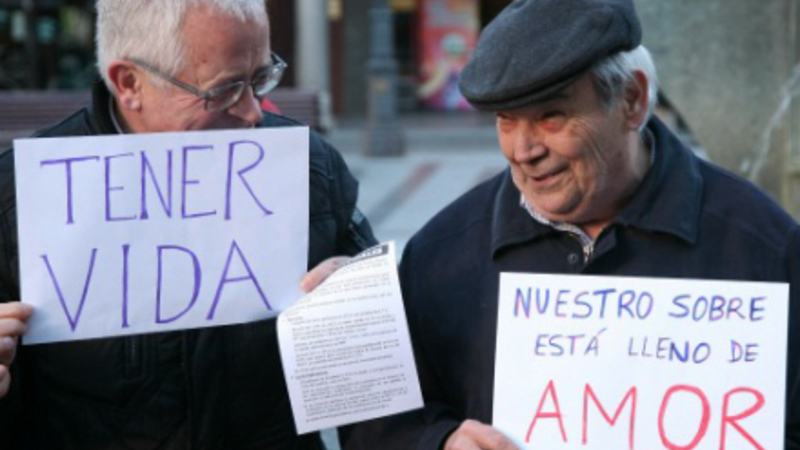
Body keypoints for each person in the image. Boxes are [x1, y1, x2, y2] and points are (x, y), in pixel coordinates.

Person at [340, 0, 800, 449]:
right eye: (506, 120)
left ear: (632, 100)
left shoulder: (763, 246)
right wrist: (441, 442)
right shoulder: (441, 255)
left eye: (550, 117)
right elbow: (377, 429)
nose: (524, 150)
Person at [0, 0, 376, 449]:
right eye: (225, 89)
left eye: (261, 78)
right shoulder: (20, 197)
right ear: (130, 83)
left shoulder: (308, 168)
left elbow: (375, 404)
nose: (253, 112)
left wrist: (361, 305)